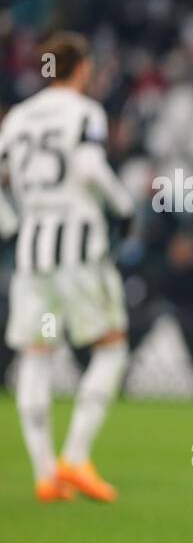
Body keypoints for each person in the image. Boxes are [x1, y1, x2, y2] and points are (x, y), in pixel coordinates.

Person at [0, 32, 134, 502]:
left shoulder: (16, 118)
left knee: (35, 355)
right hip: (79, 246)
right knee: (111, 346)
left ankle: (44, 474)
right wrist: (123, 207)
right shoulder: (85, 113)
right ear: (79, 68)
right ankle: (76, 457)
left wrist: (13, 222)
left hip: (33, 251)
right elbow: (91, 169)